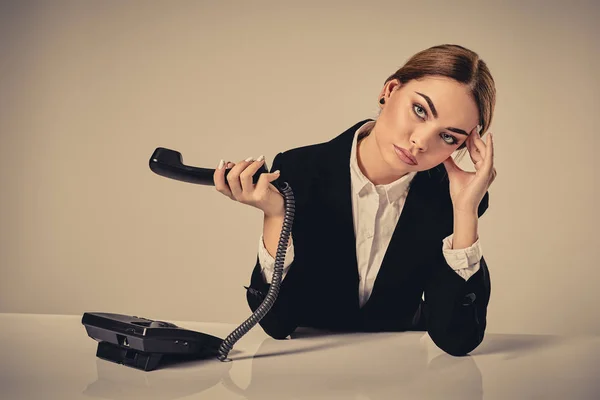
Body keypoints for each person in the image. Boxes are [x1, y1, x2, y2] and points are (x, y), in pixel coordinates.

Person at [213, 44, 497, 356]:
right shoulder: (297, 172)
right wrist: (275, 216)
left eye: (448, 137)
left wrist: (465, 211)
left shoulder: (452, 202)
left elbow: (458, 340)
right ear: (390, 90)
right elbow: (277, 324)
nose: (420, 142)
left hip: (399, 372)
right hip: (304, 371)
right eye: (419, 110)